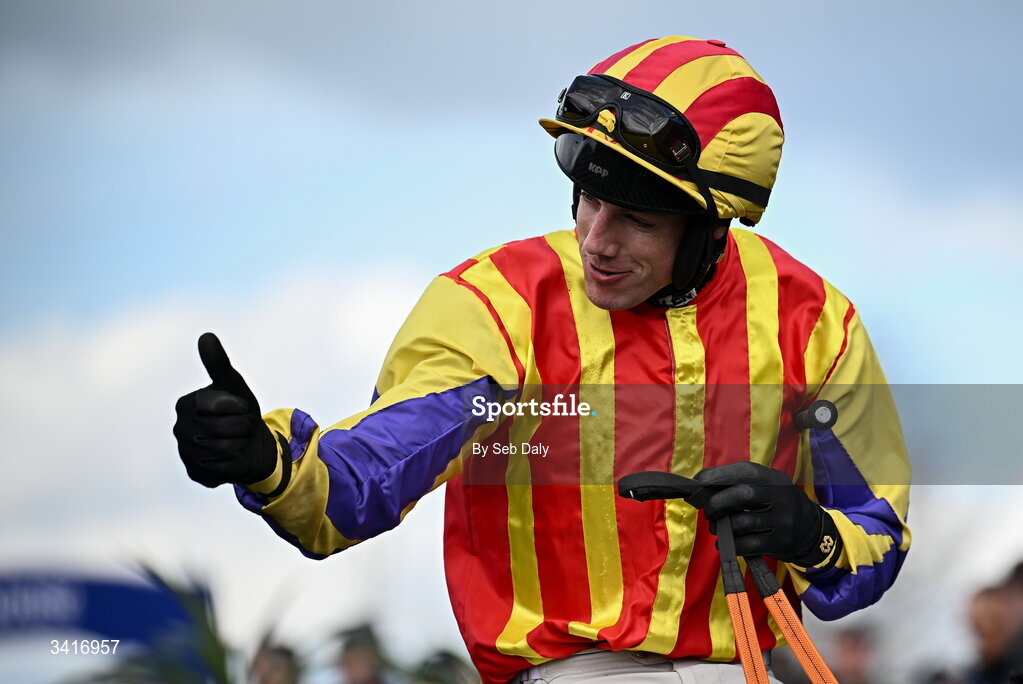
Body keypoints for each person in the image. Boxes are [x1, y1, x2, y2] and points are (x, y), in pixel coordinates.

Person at [174, 35, 912, 684]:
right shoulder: (497, 306)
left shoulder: (817, 321)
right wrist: (262, 460)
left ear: (713, 222)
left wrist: (805, 532)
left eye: (635, 220)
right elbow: (358, 484)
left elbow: (875, 542)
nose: (596, 238)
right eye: (586, 199)